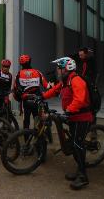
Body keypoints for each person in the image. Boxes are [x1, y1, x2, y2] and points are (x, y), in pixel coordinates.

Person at [42, 57, 93, 190]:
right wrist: (41, 96)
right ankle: (79, 169)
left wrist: (69, 110)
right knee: (73, 142)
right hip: (73, 117)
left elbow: (79, 99)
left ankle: (83, 176)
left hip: (81, 117)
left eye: (59, 69)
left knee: (77, 144)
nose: (58, 71)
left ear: (67, 68)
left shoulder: (76, 80)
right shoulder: (65, 81)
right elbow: (54, 91)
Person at [13, 54, 48, 131]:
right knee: (38, 121)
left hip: (26, 102)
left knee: (26, 123)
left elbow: (15, 89)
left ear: (21, 64)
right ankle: (39, 140)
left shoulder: (18, 74)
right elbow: (47, 86)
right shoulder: (37, 72)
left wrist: (19, 99)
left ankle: (27, 141)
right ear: (30, 62)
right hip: (37, 101)